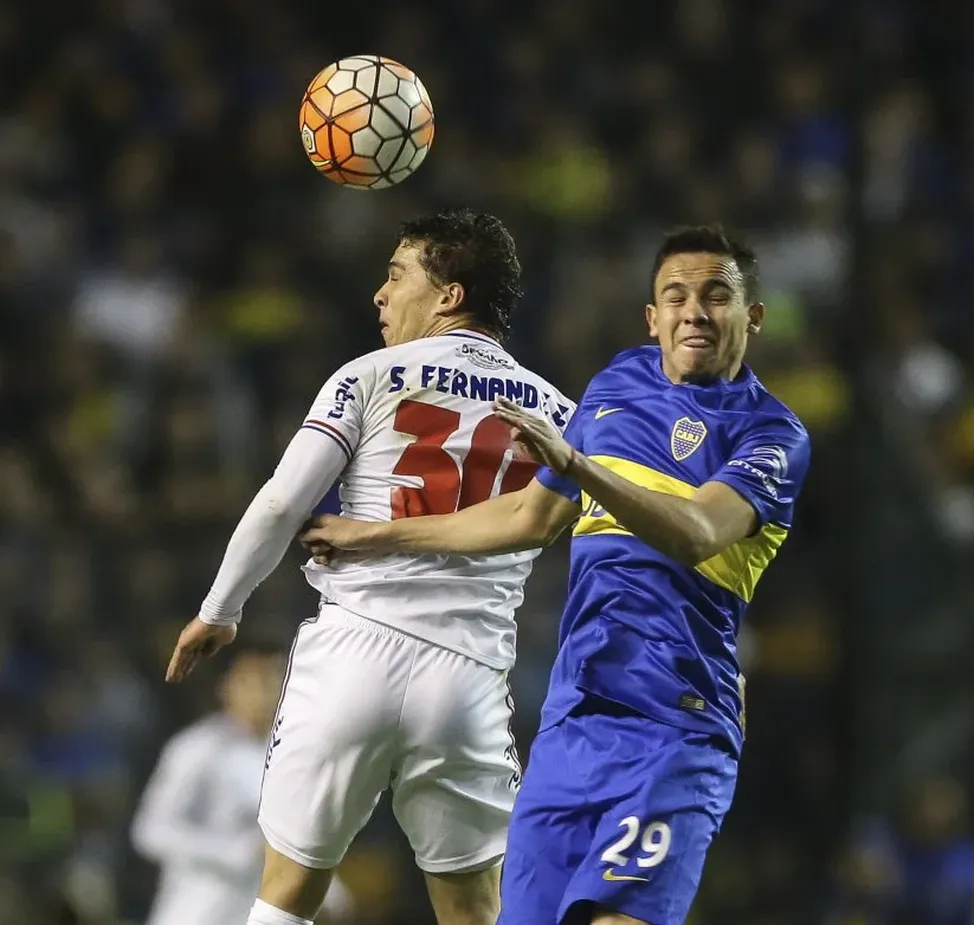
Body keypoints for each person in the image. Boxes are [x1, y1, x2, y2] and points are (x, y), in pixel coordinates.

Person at [300, 226, 812, 925]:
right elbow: (529, 516)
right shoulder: (616, 386)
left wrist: (579, 466)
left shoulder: (771, 434)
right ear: (652, 317)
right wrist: (378, 535)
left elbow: (696, 533)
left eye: (716, 295)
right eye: (676, 295)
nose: (694, 310)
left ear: (752, 315)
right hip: (573, 725)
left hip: (676, 726)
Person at [163, 208, 575, 925]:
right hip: (468, 675)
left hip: (355, 650)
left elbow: (281, 502)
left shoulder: (369, 376)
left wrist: (220, 610)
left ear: (449, 295)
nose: (379, 296)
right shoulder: (560, 414)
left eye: (396, 276)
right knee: (474, 907)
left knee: (288, 887)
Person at [132, 647, 353, 925]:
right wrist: (232, 851)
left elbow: (297, 840)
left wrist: (332, 892)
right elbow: (151, 830)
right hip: (197, 909)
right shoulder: (198, 748)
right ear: (226, 686)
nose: (265, 692)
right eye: (254, 681)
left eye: (274, 679)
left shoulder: (295, 756)